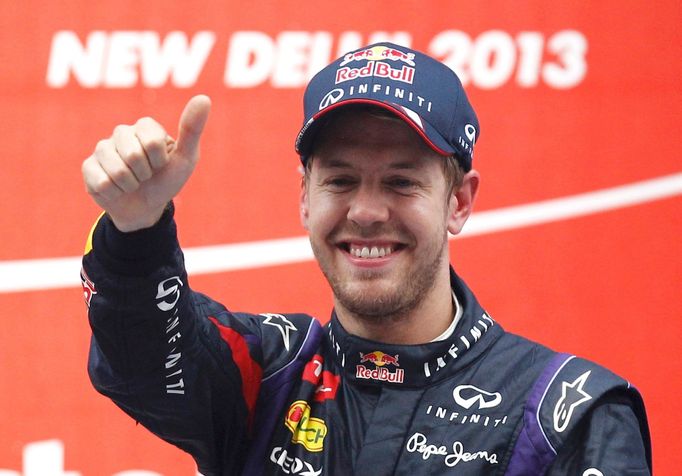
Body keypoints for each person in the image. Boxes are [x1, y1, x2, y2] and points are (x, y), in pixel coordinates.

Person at [81, 43, 652, 475]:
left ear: (459, 201)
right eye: (341, 180)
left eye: (401, 183)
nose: (367, 211)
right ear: (305, 198)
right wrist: (137, 231)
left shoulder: (565, 416)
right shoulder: (269, 373)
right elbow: (147, 360)